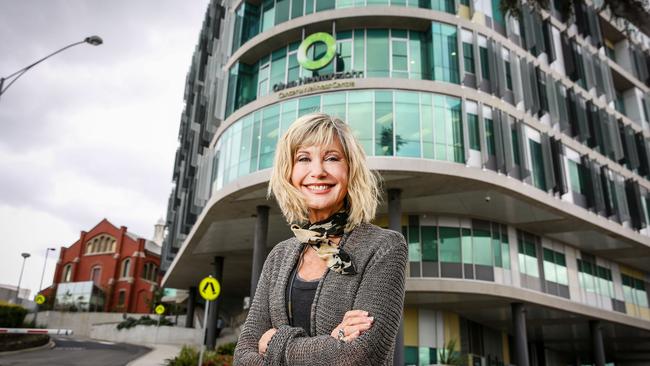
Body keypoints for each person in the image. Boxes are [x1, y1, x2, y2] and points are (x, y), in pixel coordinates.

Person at [233, 113, 407, 366]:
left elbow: (361, 355)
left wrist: (273, 344)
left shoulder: (384, 247)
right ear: (289, 172)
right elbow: (242, 356)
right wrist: (333, 340)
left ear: (350, 169)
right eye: (304, 158)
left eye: (332, 158)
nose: (318, 171)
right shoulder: (279, 256)